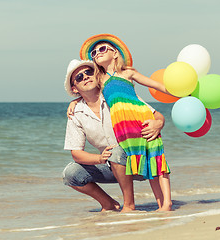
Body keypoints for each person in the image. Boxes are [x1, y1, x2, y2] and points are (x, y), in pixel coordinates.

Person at [73, 33, 172, 211]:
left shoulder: (128, 72)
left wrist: (181, 92)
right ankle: (159, 204)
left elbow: (156, 86)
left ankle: (167, 203)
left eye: (102, 49)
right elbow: (86, 91)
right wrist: (73, 102)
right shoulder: (100, 79)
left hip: (142, 119)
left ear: (115, 53)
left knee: (157, 161)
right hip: (124, 129)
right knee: (148, 165)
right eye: (94, 53)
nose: (97, 53)